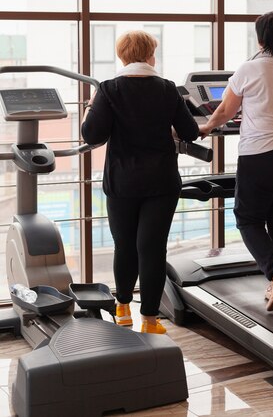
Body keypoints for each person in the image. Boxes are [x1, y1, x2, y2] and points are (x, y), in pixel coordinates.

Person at [81, 30, 199, 333]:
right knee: (153, 248)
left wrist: (88, 112)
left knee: (125, 245)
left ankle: (122, 309)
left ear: (122, 56)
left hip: (122, 182)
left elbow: (93, 135)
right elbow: (189, 132)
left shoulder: (109, 89)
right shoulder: (167, 89)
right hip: (161, 182)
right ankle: (149, 319)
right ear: (150, 56)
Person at [199, 11, 273, 311]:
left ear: (260, 38)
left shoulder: (249, 69)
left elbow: (224, 111)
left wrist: (206, 127)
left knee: (248, 220)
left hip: (261, 154)